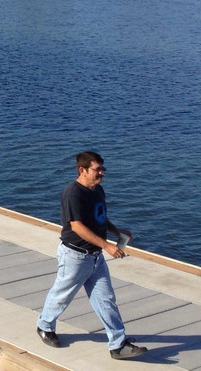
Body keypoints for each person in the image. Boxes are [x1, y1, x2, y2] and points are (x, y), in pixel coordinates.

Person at [36, 151, 146, 360]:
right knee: (62, 295)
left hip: (95, 257)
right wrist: (107, 245)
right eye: (97, 170)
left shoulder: (98, 190)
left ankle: (117, 344)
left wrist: (116, 231)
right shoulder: (72, 193)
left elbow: (100, 217)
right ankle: (44, 326)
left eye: (103, 169)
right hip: (75, 256)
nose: (102, 173)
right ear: (82, 170)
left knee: (106, 299)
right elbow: (76, 226)